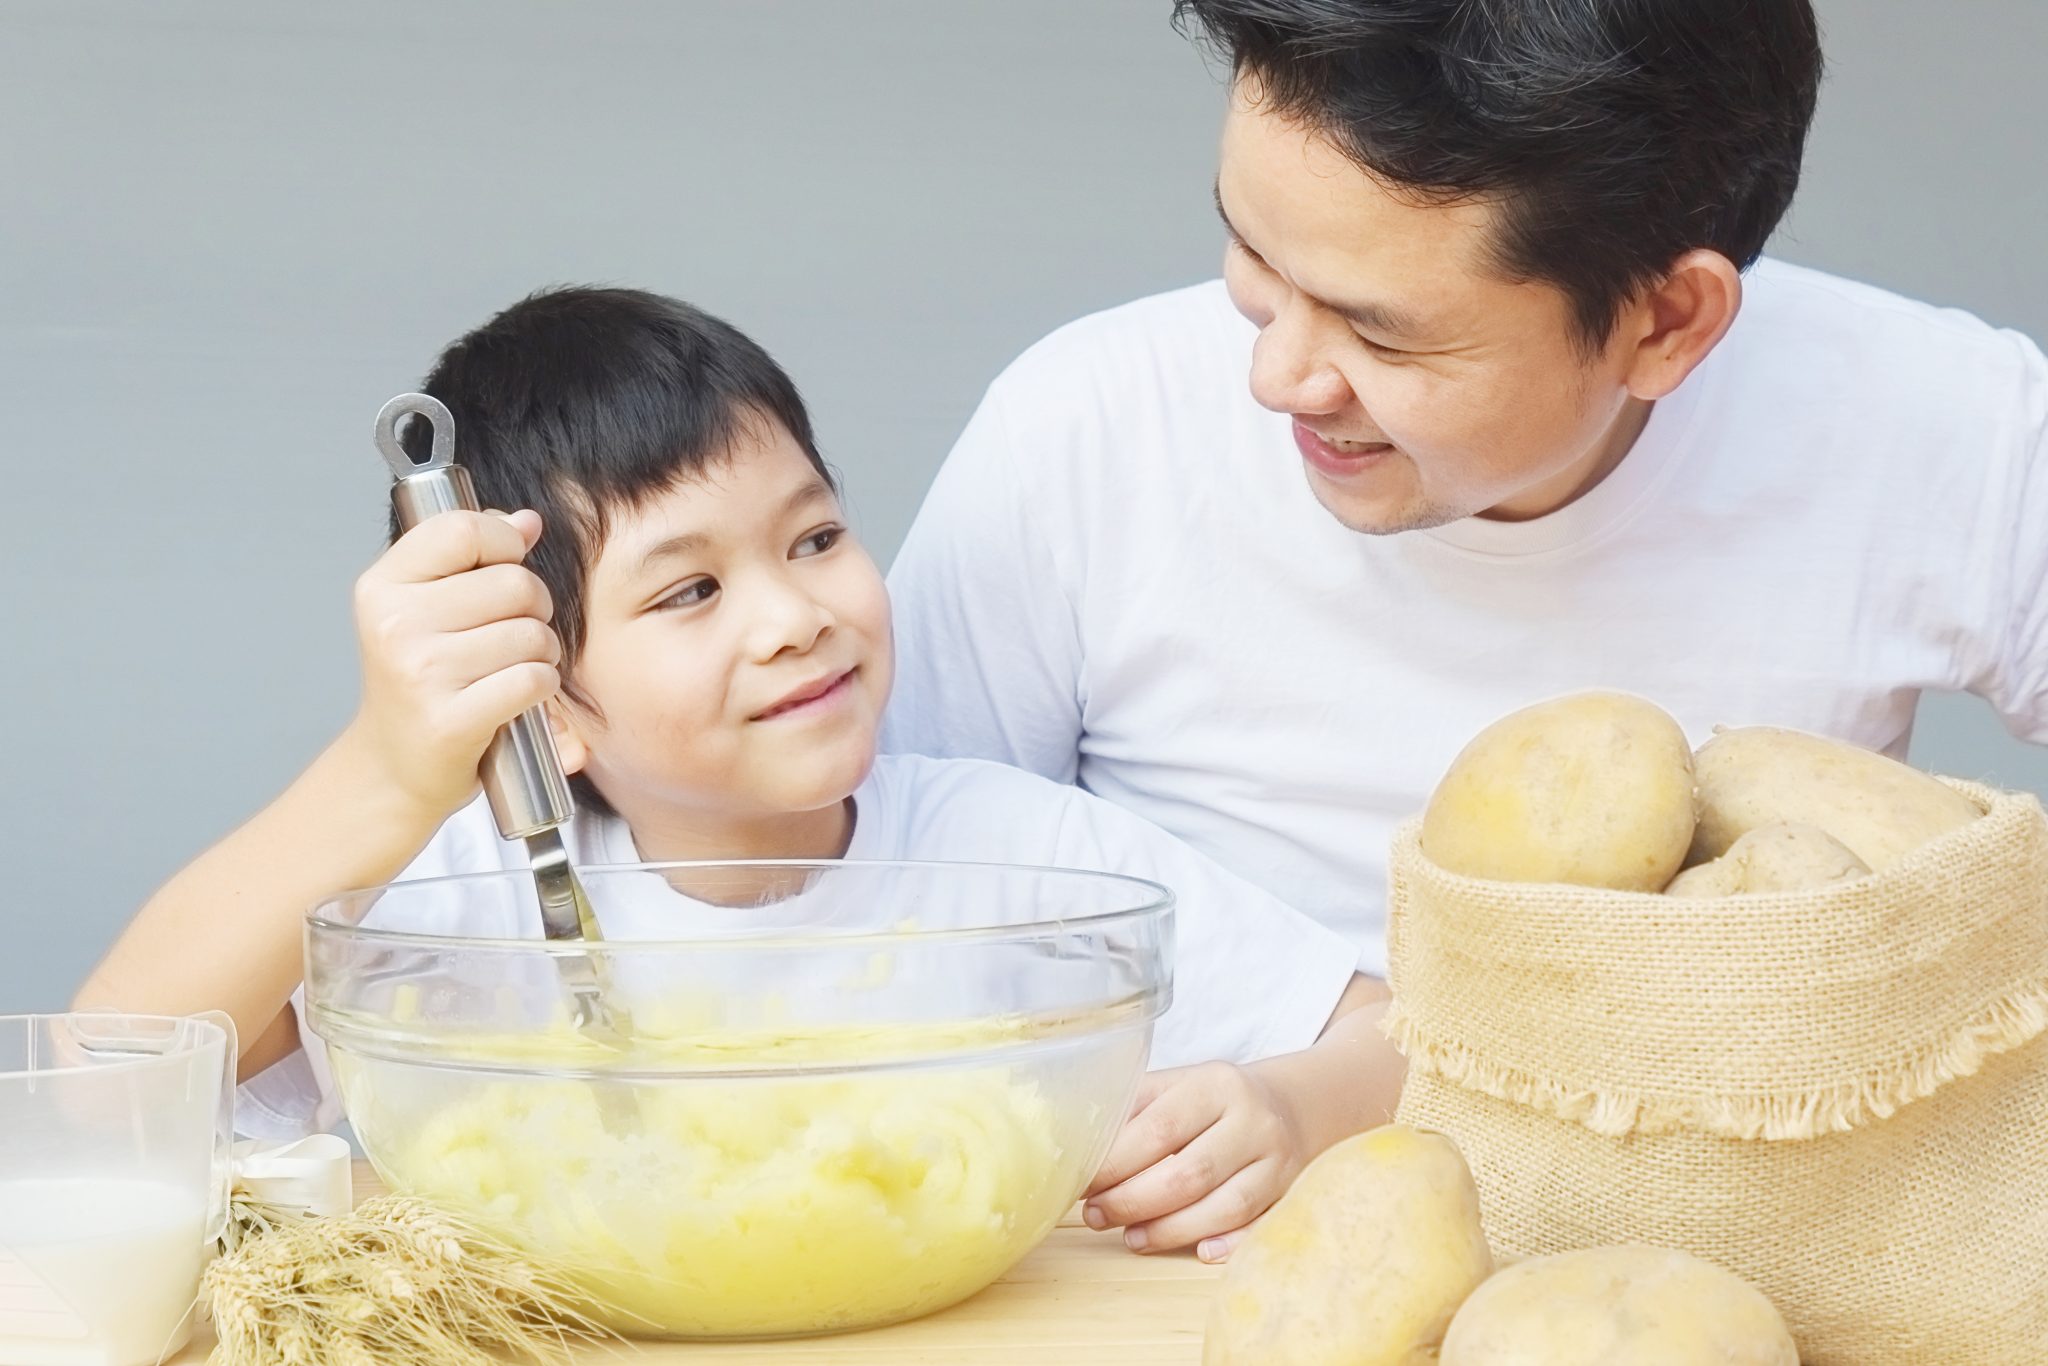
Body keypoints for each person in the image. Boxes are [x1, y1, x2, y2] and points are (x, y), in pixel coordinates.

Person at [75, 286, 1393, 1263]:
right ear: (546, 692)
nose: (793, 614)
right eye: (692, 588)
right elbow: (106, 1079)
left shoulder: (1024, 863)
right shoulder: (453, 906)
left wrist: (1293, 1107)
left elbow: (1397, 1037)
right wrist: (381, 774)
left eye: (814, 536)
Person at [887, 0, 2045, 1010]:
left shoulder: (1956, 429)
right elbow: (886, 887)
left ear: (1665, 324)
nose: (1275, 378)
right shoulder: (1080, 430)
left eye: (1379, 329)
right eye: (1249, 255)